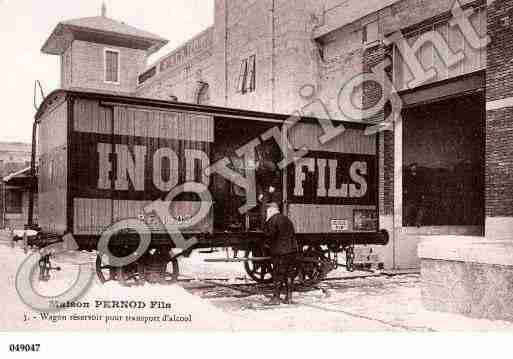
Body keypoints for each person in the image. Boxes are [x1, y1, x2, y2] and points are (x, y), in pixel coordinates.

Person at [263, 202, 299, 305]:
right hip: (292, 251)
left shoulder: (272, 220)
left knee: (278, 274)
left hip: (279, 252)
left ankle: (276, 298)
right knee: (289, 274)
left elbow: (269, 235)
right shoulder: (286, 219)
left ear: (270, 210)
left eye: (267, 211)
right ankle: (289, 297)